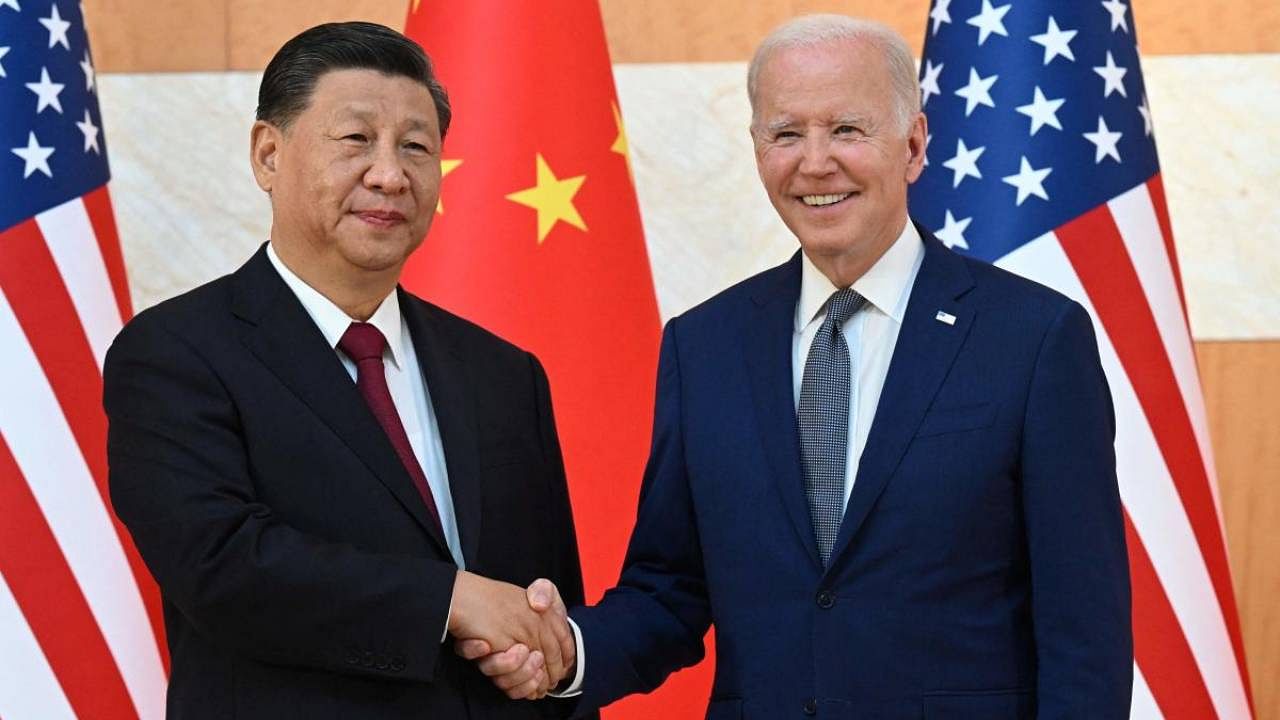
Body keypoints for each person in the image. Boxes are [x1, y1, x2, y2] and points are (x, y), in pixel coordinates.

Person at [461, 14, 1133, 718]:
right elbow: (671, 588)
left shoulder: (1033, 338)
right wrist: (567, 649)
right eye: (786, 133)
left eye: (847, 129)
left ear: (913, 144)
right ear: (757, 150)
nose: (814, 162)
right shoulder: (705, 345)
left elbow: (1082, 630)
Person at [104, 21, 583, 718]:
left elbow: (546, 604)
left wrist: (557, 662)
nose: (389, 174)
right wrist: (448, 600)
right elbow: (222, 569)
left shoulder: (504, 374)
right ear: (268, 154)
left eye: (416, 147)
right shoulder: (175, 353)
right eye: (356, 140)